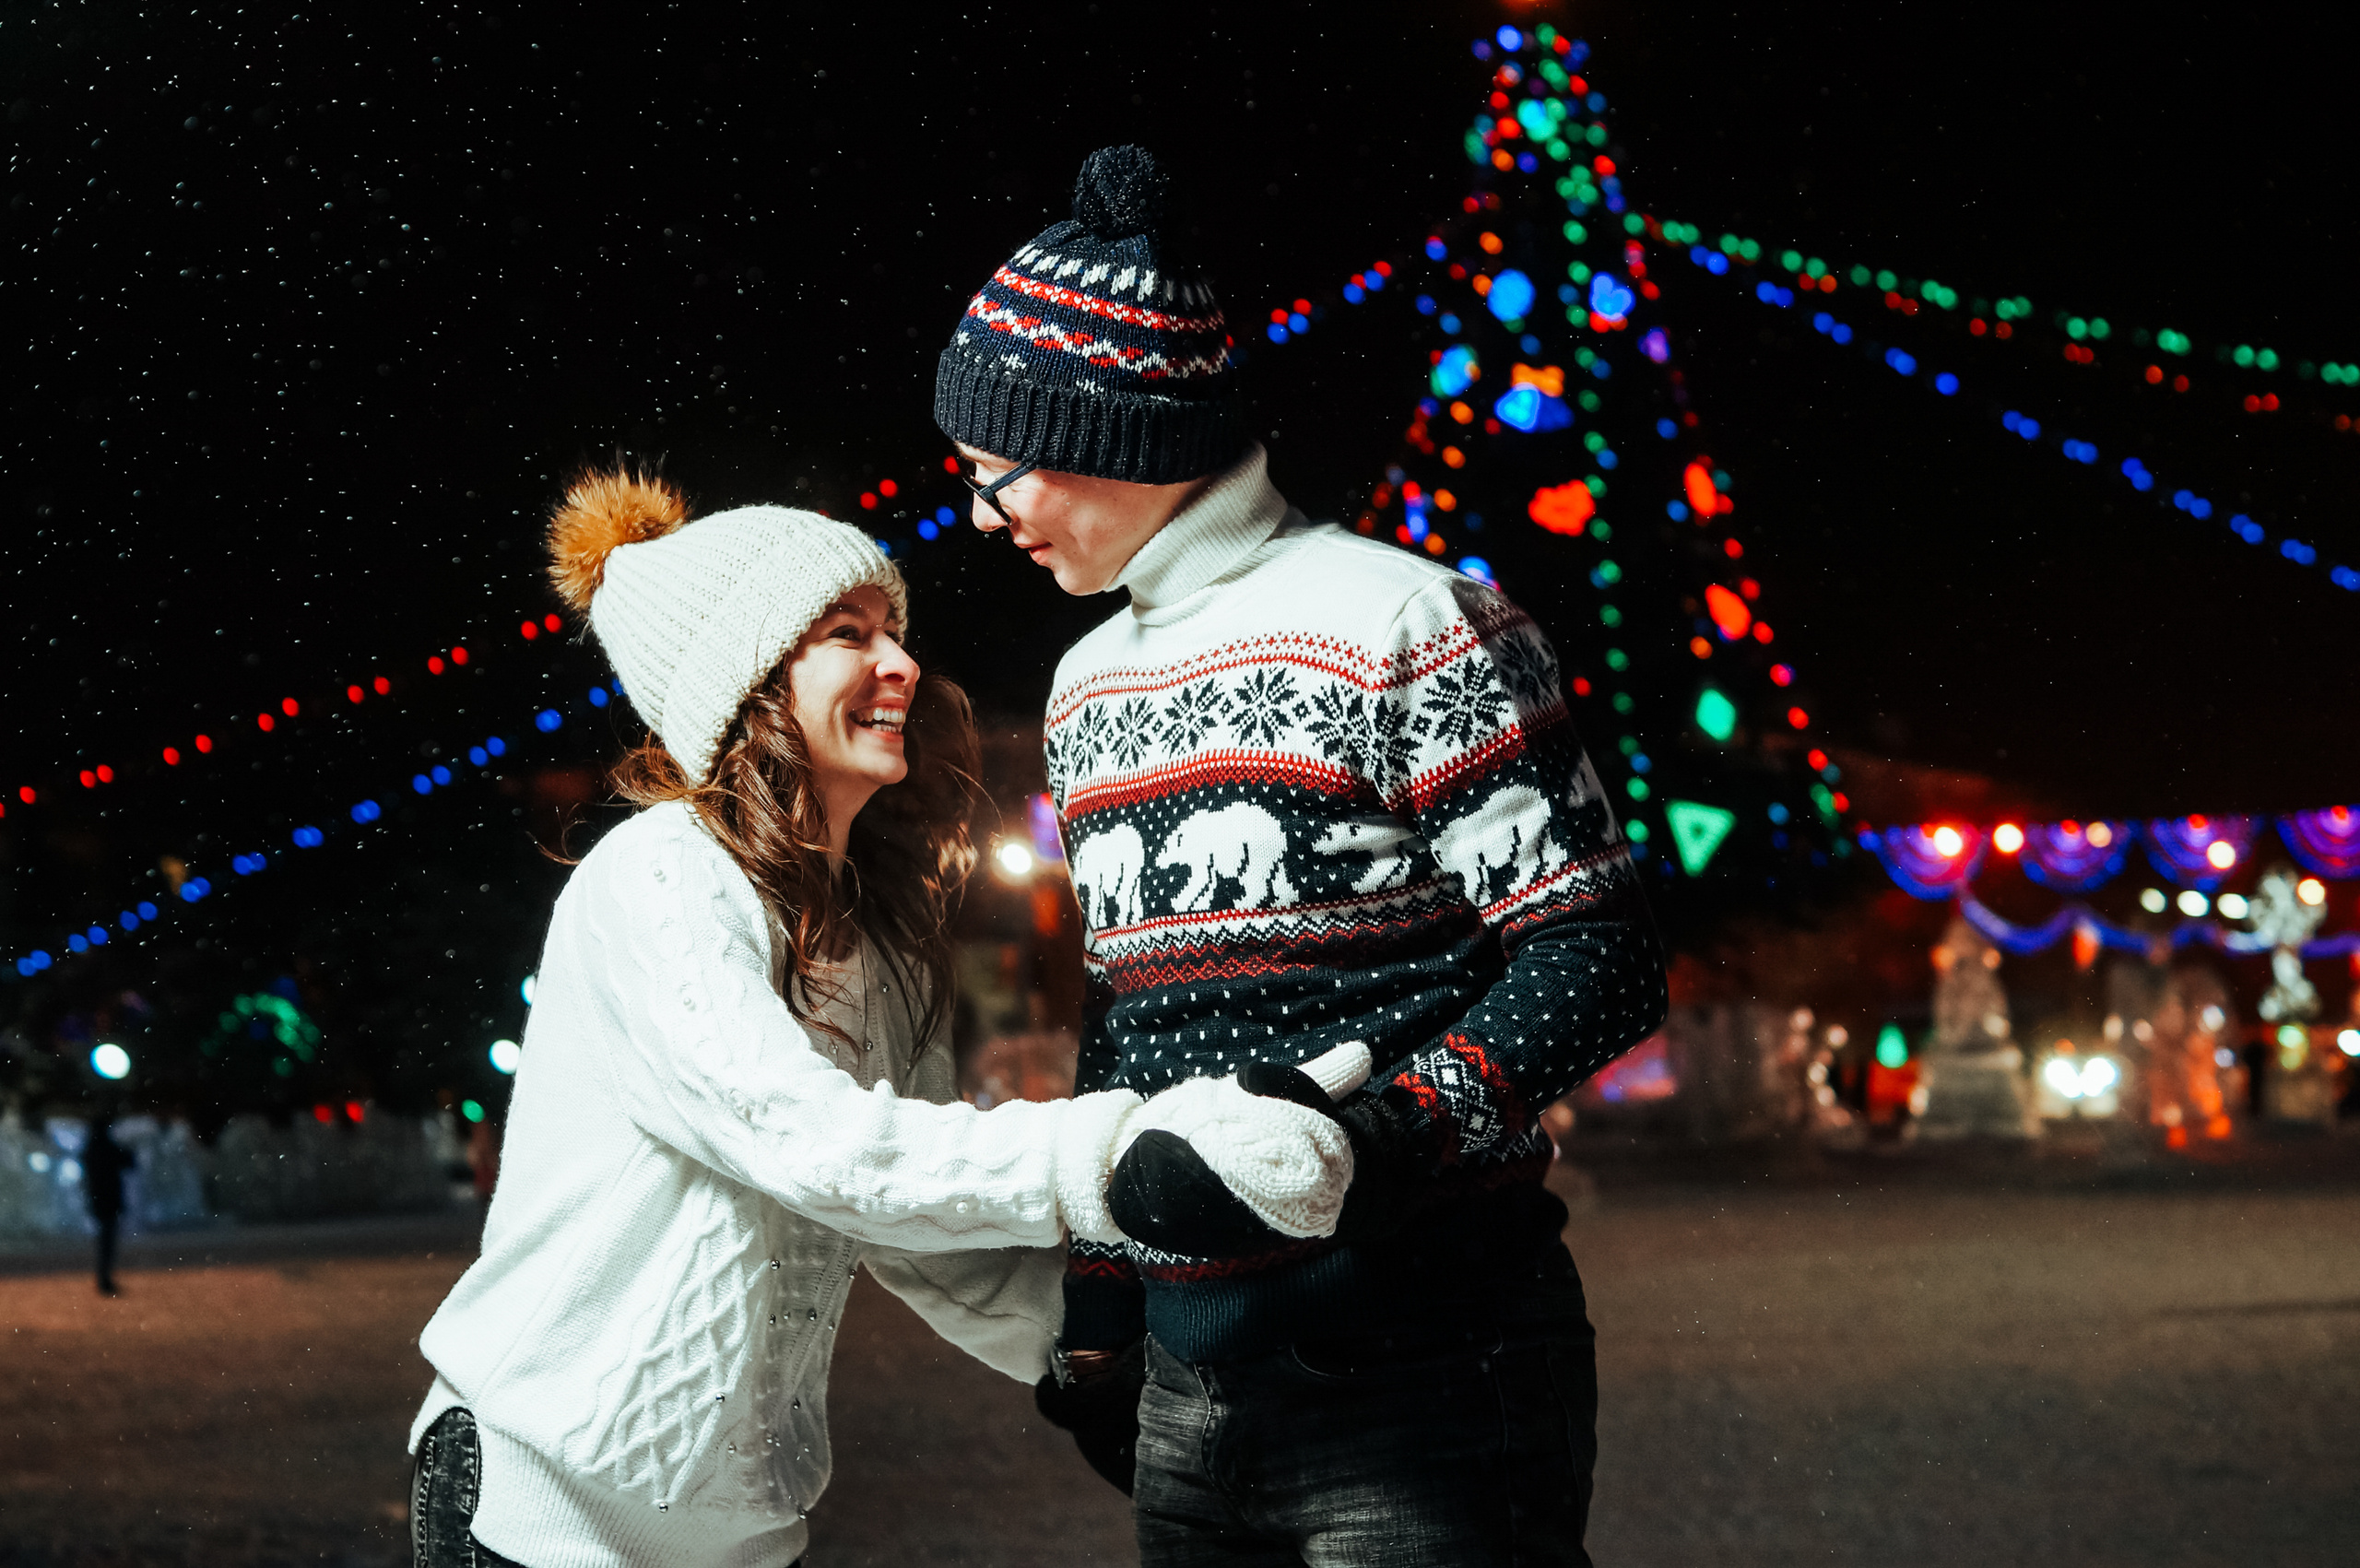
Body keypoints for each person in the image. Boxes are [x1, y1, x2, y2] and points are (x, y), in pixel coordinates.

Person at [405, 468, 1367, 1568]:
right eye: (847, 634)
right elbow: (808, 1143)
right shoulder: (660, 877)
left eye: (894, 631)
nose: (901, 662)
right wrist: (1122, 1148)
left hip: (739, 1521)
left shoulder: (881, 936)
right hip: (544, 1499)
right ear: (749, 681)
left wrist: (1104, 1342)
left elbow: (904, 1218)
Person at [937, 146, 1670, 1564]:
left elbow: (1600, 951)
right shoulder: (1087, 690)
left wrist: (1370, 1145)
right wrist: (1100, 1322)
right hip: (1189, 1391)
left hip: (1427, 1364)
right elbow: (1134, 1025)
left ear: (1110, 430)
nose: (982, 512)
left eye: (996, 469)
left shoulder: (1414, 619)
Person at [82, 1112, 135, 1296]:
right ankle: (105, 1280)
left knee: (105, 1241)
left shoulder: (91, 1148)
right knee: (107, 1242)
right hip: (109, 1200)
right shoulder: (107, 1148)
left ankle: (104, 1278)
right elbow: (129, 1162)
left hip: (99, 1199)